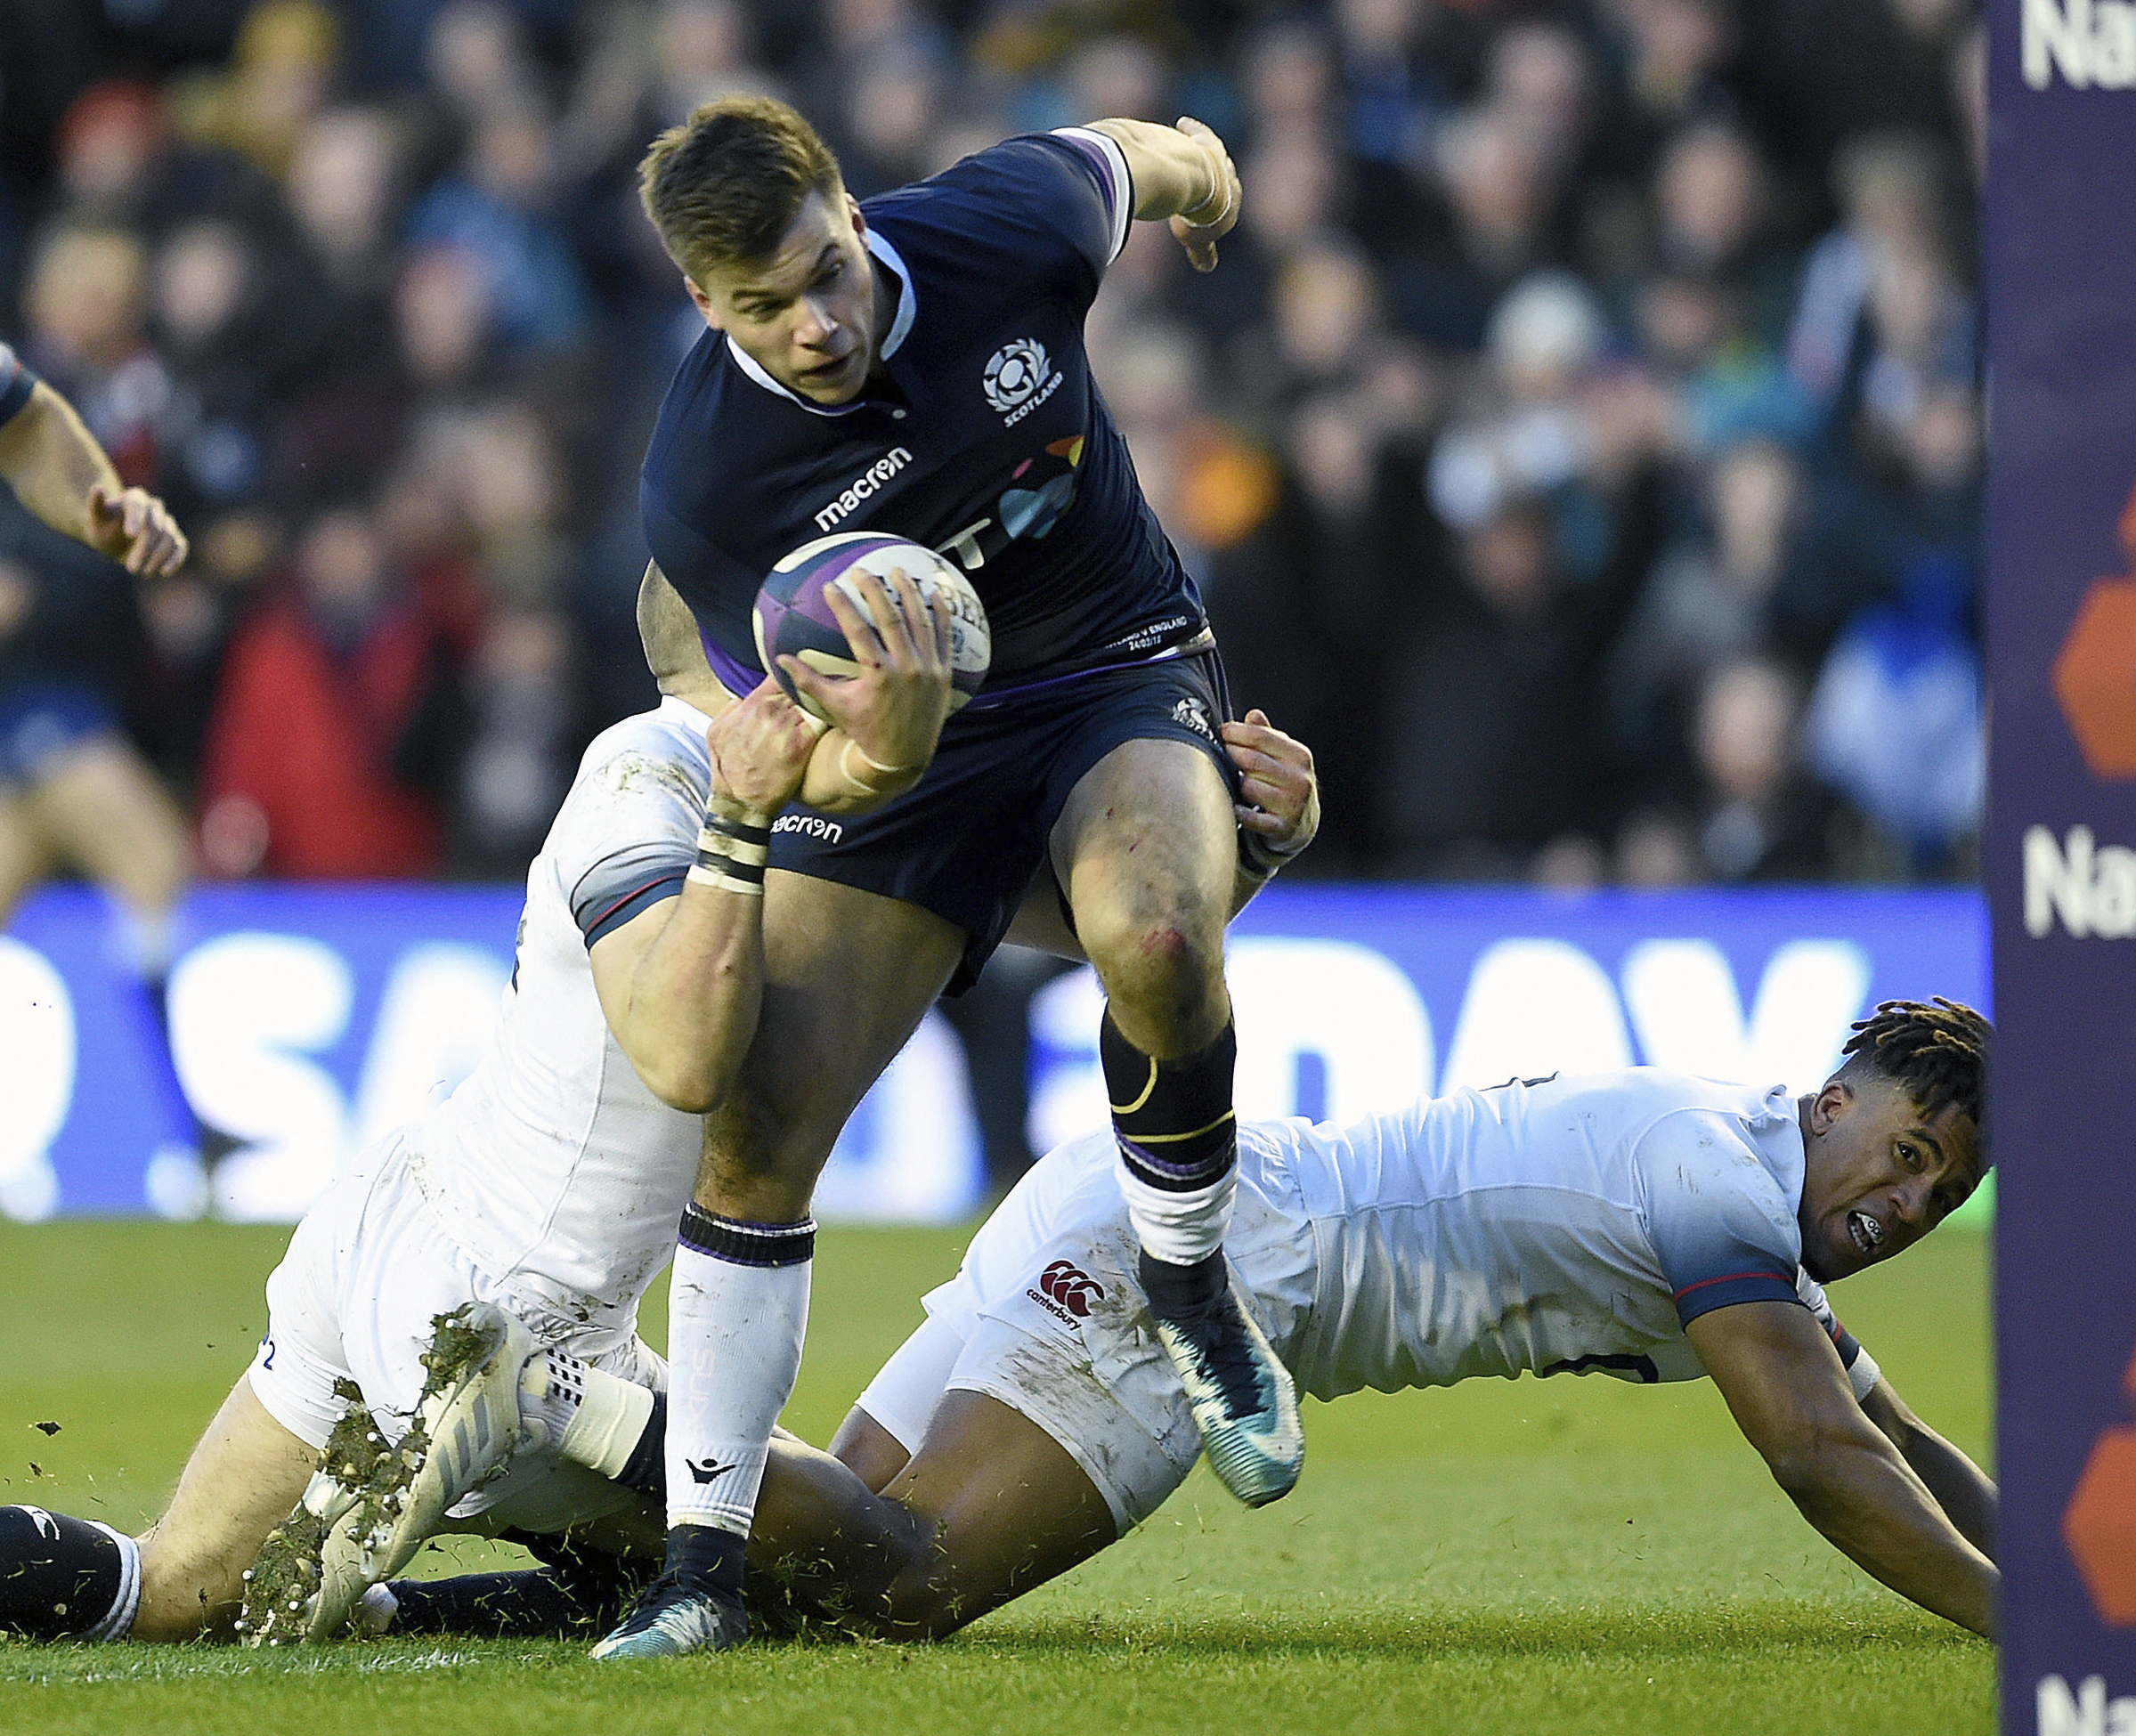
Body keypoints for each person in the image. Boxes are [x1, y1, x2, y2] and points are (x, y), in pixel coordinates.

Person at [0, 564, 1322, 1647]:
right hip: (510, 1324)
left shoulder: (811, 806)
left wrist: (1245, 844)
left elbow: (1104, 928)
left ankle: (392, 1605)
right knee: (882, 1570)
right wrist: (743, 822)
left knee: (170, 1592)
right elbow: (686, 1057)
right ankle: (534, 1411)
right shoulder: (650, 779)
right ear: (781, 645)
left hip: (391, 1229)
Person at [620, 89, 1295, 1660]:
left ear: (852, 211)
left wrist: (1208, 184)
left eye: (824, 271)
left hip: (1105, 665)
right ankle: (700, 1566)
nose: (816, 325)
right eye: (764, 307)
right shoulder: (709, 488)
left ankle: (1192, 1291)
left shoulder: (1007, 228)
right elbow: (796, 742)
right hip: (891, 747)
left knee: (1166, 939)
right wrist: (886, 744)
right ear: (702, 305)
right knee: (759, 1120)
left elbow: (1148, 154)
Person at [357, 998, 1994, 1647]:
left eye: (1940, 1200)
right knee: (904, 1585)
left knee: (794, 1592)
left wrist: (2078, 1594)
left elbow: (1895, 1437)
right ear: (1833, 1100)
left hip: (1139, 1196)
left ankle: (408, 1596)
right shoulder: (1717, 1185)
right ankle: (569, 1392)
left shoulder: (1746, 1194)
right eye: (1907, 1157)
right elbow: (1822, 1463)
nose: (1907, 1208)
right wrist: (2031, 1646)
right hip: (1210, 1282)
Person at [0, 340, 219, 1188]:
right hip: (43, 707)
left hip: (44, 701)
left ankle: (190, 1128)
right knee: (153, 863)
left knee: (154, 866)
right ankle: (188, 1121)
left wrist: (102, 507)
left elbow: (25, 428)